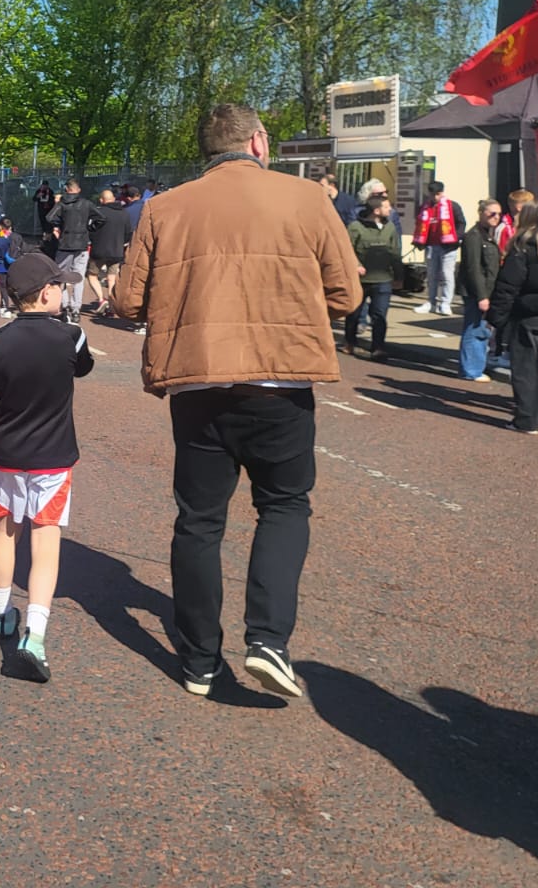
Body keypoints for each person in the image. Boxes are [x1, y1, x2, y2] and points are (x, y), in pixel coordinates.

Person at [114, 103, 359, 699]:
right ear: (258, 141)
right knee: (284, 505)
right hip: (281, 380)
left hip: (198, 381)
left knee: (199, 521)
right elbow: (347, 295)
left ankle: (200, 659)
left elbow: (126, 302)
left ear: (206, 149)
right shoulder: (306, 198)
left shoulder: (165, 207)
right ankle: (268, 639)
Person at [0, 253, 92, 681]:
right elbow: (84, 367)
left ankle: (2, 612)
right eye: (60, 286)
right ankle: (34, 636)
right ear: (45, 293)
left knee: (6, 526)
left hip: (7, 452)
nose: (64, 292)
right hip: (53, 456)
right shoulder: (71, 336)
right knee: (46, 537)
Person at [488, 203, 538, 434]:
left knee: (524, 367)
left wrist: (496, 317)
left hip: (529, 311)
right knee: (536, 362)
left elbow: (508, 285)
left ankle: (527, 420)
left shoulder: (523, 247)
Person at [343, 194, 402, 361]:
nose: (390, 209)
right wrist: (356, 265)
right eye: (386, 207)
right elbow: (346, 250)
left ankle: (378, 347)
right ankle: (350, 341)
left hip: (383, 279)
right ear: (376, 210)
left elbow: (395, 252)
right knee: (354, 313)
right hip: (360, 280)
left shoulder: (390, 227)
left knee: (379, 315)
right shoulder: (355, 227)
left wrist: (399, 276)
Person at [455, 200, 504, 382]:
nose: (496, 217)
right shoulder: (474, 237)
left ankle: (474, 367)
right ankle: (471, 370)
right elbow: (473, 269)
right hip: (476, 292)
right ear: (481, 213)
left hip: (486, 290)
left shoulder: (487, 236)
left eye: (499, 214)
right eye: (492, 213)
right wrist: (481, 295)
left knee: (480, 329)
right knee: (474, 329)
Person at [45, 178, 103, 314]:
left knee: (61, 276)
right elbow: (101, 218)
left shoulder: (62, 204)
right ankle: (76, 308)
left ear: (67, 190)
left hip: (65, 243)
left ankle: (64, 304)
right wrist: (90, 228)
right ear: (78, 190)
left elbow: (49, 217)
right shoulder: (86, 204)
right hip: (82, 243)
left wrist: (60, 225)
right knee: (79, 277)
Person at [412, 181, 464, 316]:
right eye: (432, 194)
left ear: (442, 193)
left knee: (447, 275)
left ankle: (446, 303)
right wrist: (419, 241)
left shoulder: (452, 206)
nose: (435, 197)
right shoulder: (424, 207)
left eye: (438, 194)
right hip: (431, 245)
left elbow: (461, 223)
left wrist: (456, 238)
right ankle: (431, 302)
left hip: (448, 246)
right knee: (431, 275)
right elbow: (419, 224)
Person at [86, 189, 131, 317]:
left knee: (92, 275)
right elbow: (128, 232)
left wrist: (92, 240)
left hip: (99, 250)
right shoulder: (124, 213)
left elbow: (91, 230)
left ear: (102, 200)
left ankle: (101, 299)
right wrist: (123, 243)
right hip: (116, 251)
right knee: (112, 278)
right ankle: (111, 306)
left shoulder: (98, 212)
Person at [0, 216, 24, 318]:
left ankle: (5, 308)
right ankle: (19, 306)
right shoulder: (17, 237)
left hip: (2, 265)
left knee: (3, 287)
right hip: (14, 265)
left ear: (0, 227)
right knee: (12, 287)